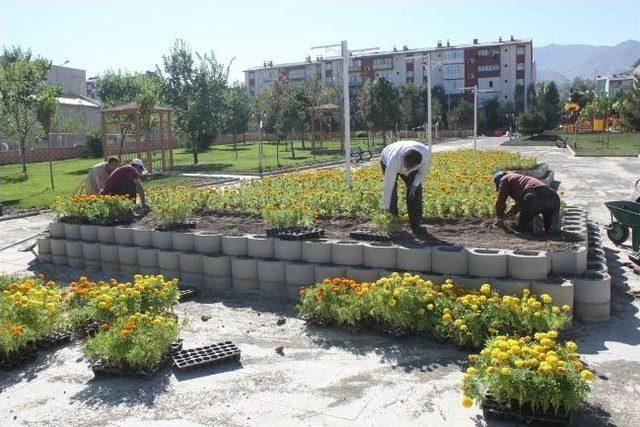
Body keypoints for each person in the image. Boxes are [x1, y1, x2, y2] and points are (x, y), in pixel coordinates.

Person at [380, 140, 432, 235]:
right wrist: (387, 207)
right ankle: (393, 222)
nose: (407, 171)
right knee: (393, 192)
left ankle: (416, 223)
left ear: (418, 164)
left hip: (410, 161)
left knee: (416, 190)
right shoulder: (394, 161)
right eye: (406, 167)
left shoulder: (426, 157)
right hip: (386, 157)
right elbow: (388, 187)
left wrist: (413, 186)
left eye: (410, 169)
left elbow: (422, 173)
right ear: (403, 159)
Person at [493, 171, 560, 235]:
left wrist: (500, 216)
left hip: (535, 196)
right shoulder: (519, 179)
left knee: (523, 226)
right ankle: (550, 226)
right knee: (548, 222)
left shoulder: (505, 179)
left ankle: (534, 227)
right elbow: (521, 201)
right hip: (553, 196)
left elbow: (501, 201)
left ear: (498, 181)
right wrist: (512, 212)